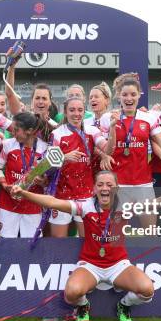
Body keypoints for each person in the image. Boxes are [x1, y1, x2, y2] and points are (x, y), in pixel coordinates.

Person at [11, 171, 161, 321]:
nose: (105, 188)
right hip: (90, 265)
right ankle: (84, 306)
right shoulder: (85, 206)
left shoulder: (126, 206)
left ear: (116, 188)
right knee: (71, 293)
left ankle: (124, 305)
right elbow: (53, 202)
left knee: (147, 290)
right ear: (94, 188)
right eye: (100, 185)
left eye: (109, 185)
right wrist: (24, 193)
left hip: (118, 265)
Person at [99, 73, 161, 227]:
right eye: (124, 94)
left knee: (149, 231)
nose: (129, 98)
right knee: (116, 234)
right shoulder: (107, 118)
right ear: (118, 96)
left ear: (139, 95)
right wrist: (106, 149)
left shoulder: (148, 118)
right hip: (118, 184)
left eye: (133, 94)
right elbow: (104, 150)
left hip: (143, 184)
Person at [49, 97, 110, 237]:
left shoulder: (92, 131)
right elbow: (48, 168)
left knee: (87, 241)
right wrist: (64, 157)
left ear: (84, 111)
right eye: (72, 110)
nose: (76, 113)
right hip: (61, 195)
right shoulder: (57, 134)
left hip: (86, 196)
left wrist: (113, 128)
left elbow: (107, 149)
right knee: (59, 244)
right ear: (65, 112)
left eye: (80, 110)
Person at [0, 112, 49, 238]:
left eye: (16, 130)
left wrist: (42, 181)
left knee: (31, 246)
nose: (13, 133)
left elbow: (47, 181)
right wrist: (5, 185)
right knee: (5, 244)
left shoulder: (44, 148)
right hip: (8, 203)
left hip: (32, 205)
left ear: (29, 131)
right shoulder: (8, 144)